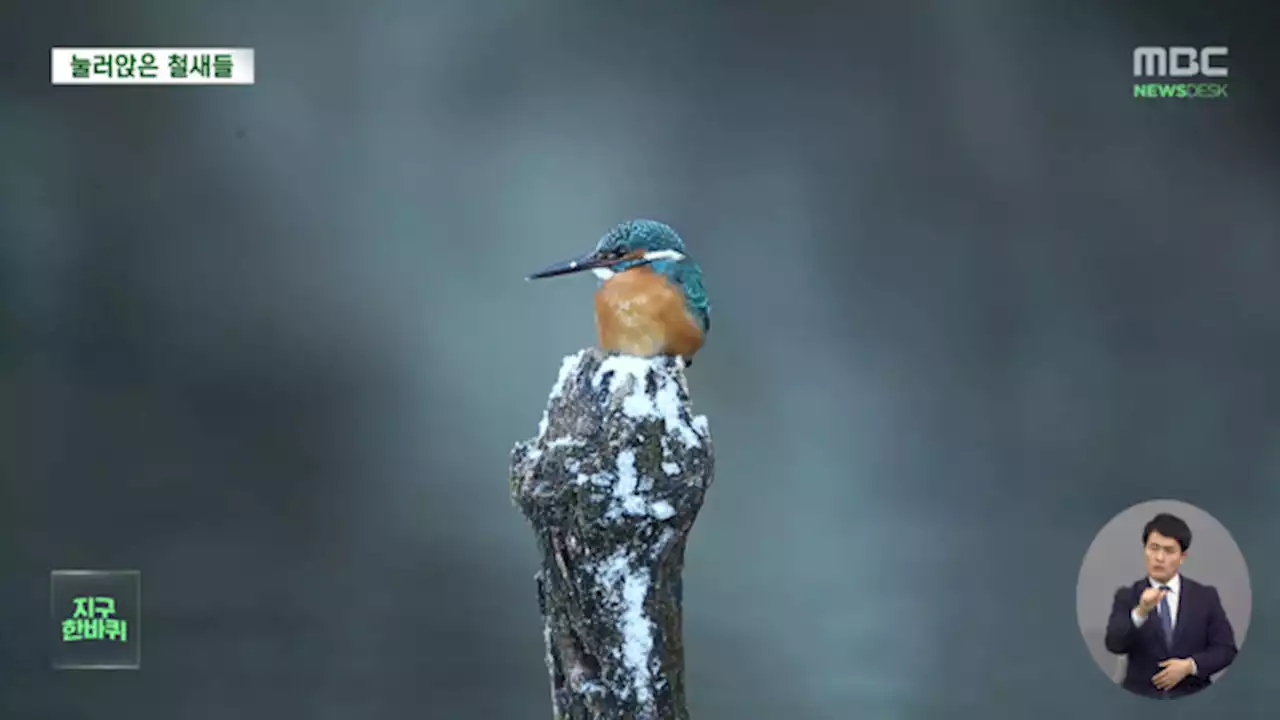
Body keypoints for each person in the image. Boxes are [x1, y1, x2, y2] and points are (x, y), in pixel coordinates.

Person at [1104, 512, 1238, 698]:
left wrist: (1189, 666)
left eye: (1168, 551)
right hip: (1141, 698)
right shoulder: (1128, 596)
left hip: (1192, 696)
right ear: (1145, 550)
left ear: (1182, 556)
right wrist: (1141, 612)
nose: (1159, 557)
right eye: (1153, 548)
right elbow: (1114, 644)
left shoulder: (1205, 597)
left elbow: (1226, 649)